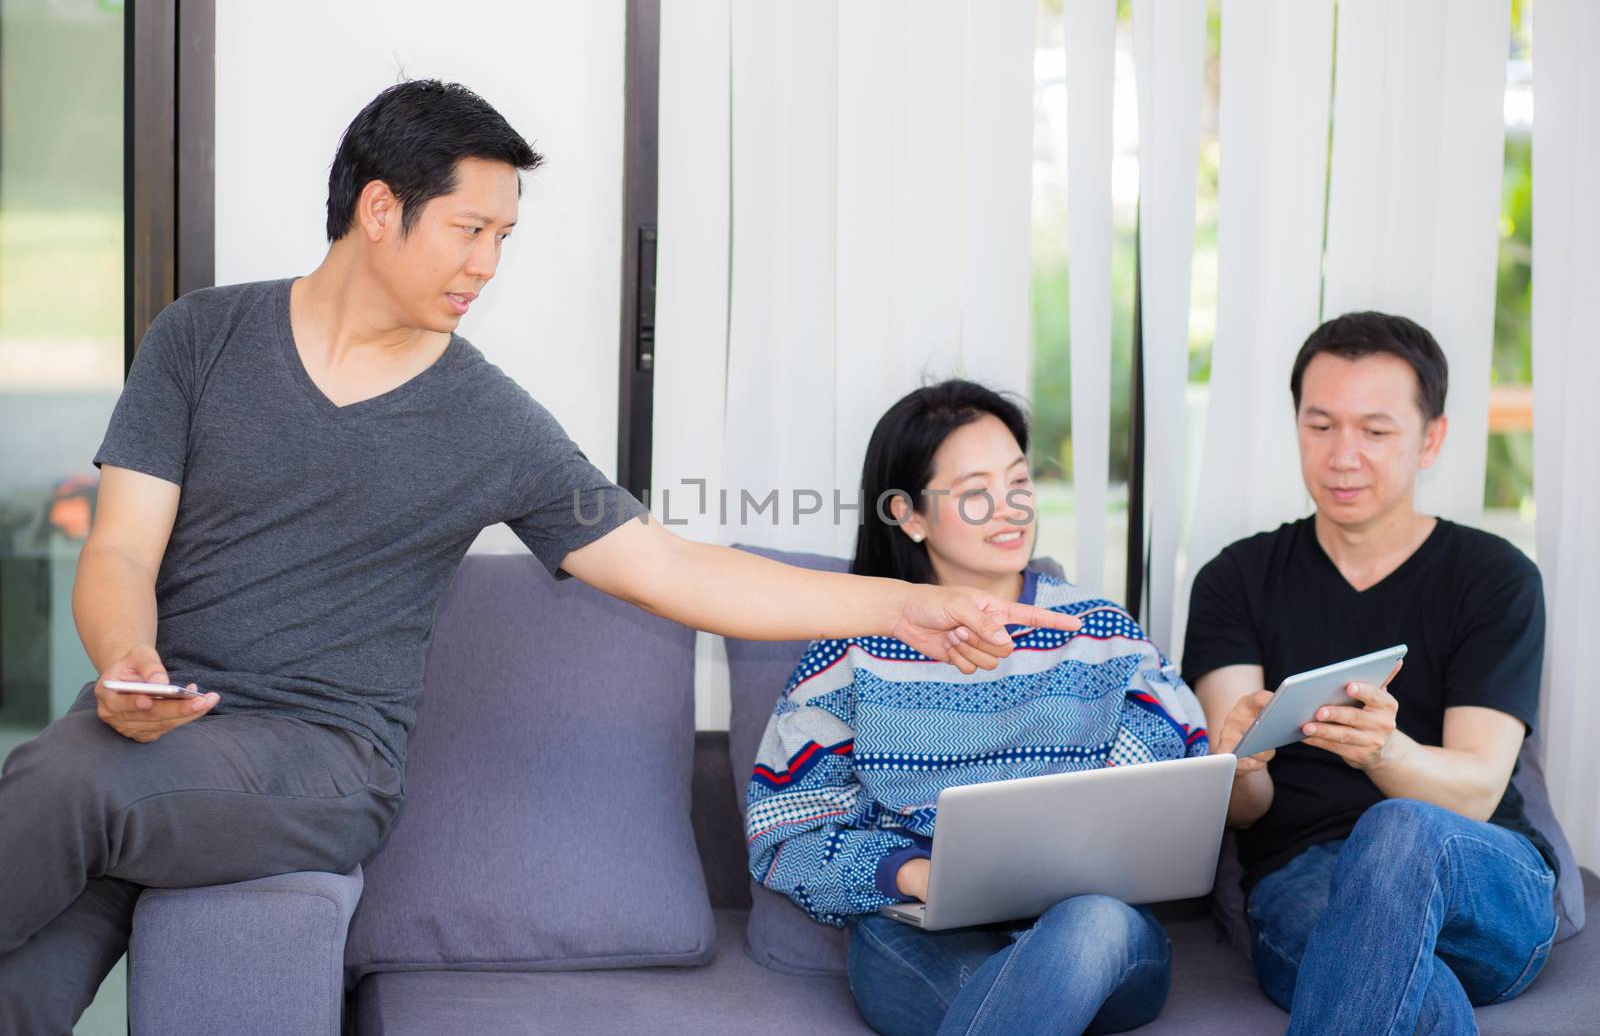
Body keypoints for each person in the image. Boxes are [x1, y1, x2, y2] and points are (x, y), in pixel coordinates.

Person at [0, 81, 1079, 1032]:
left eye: (504, 237)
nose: (488, 265)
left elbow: (674, 569)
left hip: (325, 762)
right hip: (165, 741)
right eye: (470, 229)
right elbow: (123, 546)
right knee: (32, 963)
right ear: (380, 209)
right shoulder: (201, 339)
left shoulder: (486, 419)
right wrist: (128, 657)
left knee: (68, 771)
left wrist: (899, 603)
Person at [746, 381, 1210, 1036]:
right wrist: (912, 872)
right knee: (1005, 996)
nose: (1010, 508)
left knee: (1091, 923)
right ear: (908, 514)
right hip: (921, 932)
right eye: (974, 489)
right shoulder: (851, 651)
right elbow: (783, 829)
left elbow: (1174, 768)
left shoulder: (1102, 633)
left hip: (1094, 929)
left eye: (1019, 481)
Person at [1186, 312, 1559, 1035]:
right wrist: (1239, 765)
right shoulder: (1235, 579)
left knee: (1398, 830)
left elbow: (1479, 789)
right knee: (1399, 984)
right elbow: (1243, 809)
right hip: (1306, 875)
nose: (1342, 456)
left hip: (1481, 875)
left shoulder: (1494, 578)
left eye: (1375, 430)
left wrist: (1387, 751)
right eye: (1320, 426)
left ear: (1433, 439)